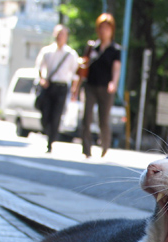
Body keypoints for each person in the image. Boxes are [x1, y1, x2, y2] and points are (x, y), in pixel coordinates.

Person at [74, 13, 122, 158]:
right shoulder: (91, 47)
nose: (103, 31)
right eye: (101, 28)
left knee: (103, 119)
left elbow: (116, 68)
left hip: (106, 88)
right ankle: (86, 150)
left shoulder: (115, 49)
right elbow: (83, 69)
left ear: (112, 30)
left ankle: (104, 147)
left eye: (106, 28)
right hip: (90, 85)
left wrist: (113, 83)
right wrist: (76, 88)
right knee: (86, 117)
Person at [35, 25, 79, 153]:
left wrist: (74, 91)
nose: (59, 36)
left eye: (62, 34)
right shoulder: (47, 51)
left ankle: (51, 142)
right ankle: (47, 132)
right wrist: (42, 79)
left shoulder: (70, 54)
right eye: (58, 34)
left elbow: (75, 74)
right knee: (45, 114)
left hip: (62, 87)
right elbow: (40, 67)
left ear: (66, 37)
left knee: (56, 115)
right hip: (49, 86)